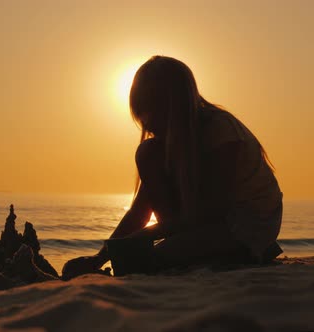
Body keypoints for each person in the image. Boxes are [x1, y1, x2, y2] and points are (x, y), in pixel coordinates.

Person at [62, 56, 283, 278]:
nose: (147, 124)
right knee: (147, 152)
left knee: (151, 261)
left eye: (150, 113)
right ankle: (187, 251)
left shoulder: (221, 132)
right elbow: (139, 211)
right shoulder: (167, 147)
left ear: (173, 105)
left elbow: (214, 209)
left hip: (245, 223)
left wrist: (149, 235)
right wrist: (99, 258)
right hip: (201, 225)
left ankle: (232, 253)